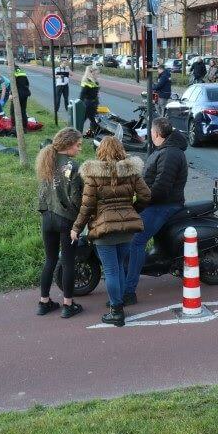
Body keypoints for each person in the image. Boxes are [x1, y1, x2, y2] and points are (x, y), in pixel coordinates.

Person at [71, 136, 151, 327]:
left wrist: (76, 228)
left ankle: (116, 311)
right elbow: (146, 195)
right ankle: (118, 302)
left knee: (111, 270)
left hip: (104, 230)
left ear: (101, 151)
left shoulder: (93, 174)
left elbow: (87, 205)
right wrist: (131, 211)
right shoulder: (131, 171)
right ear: (121, 150)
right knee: (120, 266)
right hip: (127, 230)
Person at [124, 118, 187, 305]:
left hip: (164, 205)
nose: (150, 135)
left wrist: (141, 203)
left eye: (151, 132)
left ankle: (128, 291)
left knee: (136, 240)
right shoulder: (166, 150)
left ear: (157, 134)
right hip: (158, 203)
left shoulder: (170, 154)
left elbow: (161, 188)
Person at [36, 128, 84, 319]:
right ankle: (68, 305)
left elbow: (43, 193)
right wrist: (80, 219)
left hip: (47, 217)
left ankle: (44, 302)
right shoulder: (73, 166)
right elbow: (76, 199)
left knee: (50, 260)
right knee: (68, 261)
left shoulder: (47, 161)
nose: (79, 149)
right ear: (68, 144)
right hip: (65, 220)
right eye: (78, 145)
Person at [79, 63, 102, 136]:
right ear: (92, 72)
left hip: (93, 103)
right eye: (97, 73)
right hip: (88, 104)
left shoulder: (95, 81)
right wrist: (80, 104)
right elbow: (82, 94)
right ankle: (94, 134)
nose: (98, 74)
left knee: (83, 119)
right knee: (94, 119)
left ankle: (80, 133)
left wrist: (97, 95)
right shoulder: (87, 81)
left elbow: (95, 91)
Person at [13, 65, 31, 130]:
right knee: (23, 110)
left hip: (18, 94)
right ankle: (24, 126)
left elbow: (13, 85)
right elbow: (27, 83)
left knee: (14, 110)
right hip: (25, 93)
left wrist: (11, 94)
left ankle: (15, 126)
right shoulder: (22, 72)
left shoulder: (13, 72)